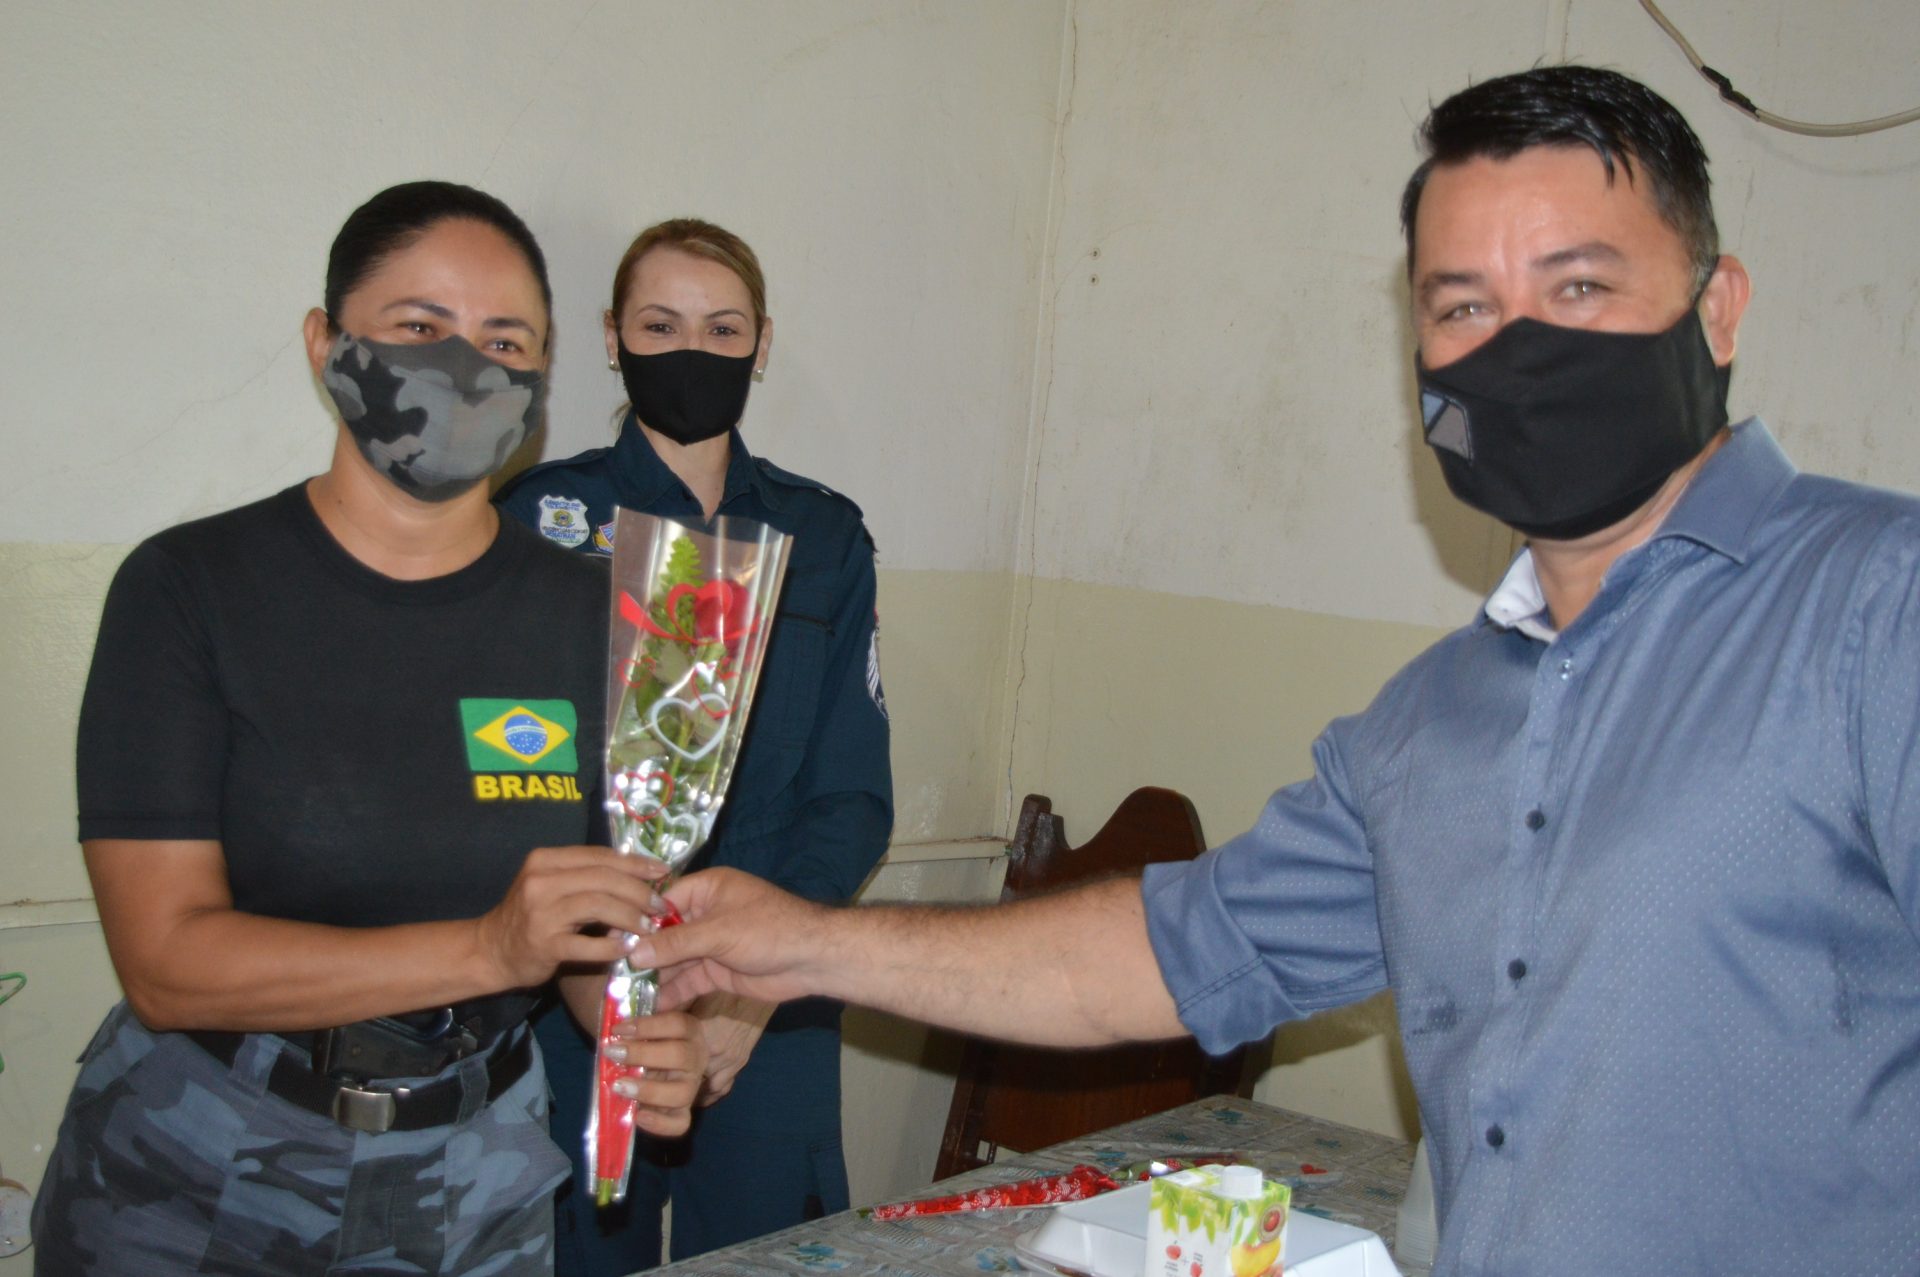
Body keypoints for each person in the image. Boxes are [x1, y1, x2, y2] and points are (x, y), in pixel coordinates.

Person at [632, 67, 1920, 1276]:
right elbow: (1160, 953)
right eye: (1463, 306)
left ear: (1716, 309)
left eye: (1578, 287)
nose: (1517, 348)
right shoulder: (1430, 725)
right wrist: (806, 942)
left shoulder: (1879, 608)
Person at [33, 181, 706, 1277]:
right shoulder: (191, 588)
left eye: (506, 341)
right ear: (325, 342)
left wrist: (645, 1025)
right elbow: (165, 962)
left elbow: (586, 932)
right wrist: (486, 947)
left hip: (479, 1167)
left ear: (541, 377)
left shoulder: (597, 620)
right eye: (420, 328)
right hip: (203, 1168)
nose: (466, 366)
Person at [496, 218, 892, 1272]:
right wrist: (608, 986)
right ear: (612, 338)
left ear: (762, 344)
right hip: (582, 998)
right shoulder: (537, 519)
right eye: (660, 325)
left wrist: (750, 987)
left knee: (774, 1252)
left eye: (722, 328)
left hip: (772, 1000)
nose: (693, 351)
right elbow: (510, 787)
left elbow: (850, 793)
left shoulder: (824, 536)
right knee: (576, 1251)